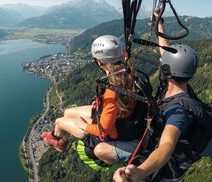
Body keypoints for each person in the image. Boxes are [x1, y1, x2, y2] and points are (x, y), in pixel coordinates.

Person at [113, 18, 201, 181]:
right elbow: (166, 53)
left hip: (162, 169)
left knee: (101, 150)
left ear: (167, 70)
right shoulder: (174, 84)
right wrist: (159, 23)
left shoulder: (179, 112)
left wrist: (140, 172)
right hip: (154, 147)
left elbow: (166, 146)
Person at [42, 35, 143, 164]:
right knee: (68, 112)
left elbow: (103, 130)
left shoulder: (113, 92)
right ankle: (60, 140)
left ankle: (59, 143)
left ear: (99, 62)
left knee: (60, 121)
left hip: (111, 134)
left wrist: (83, 125)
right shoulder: (128, 73)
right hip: (124, 120)